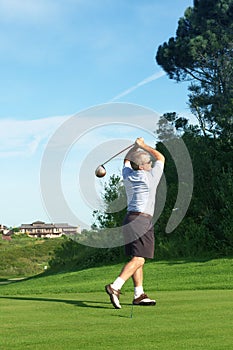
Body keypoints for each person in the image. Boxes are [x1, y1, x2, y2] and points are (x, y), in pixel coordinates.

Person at [105, 137, 165, 309]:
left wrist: (133, 148)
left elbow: (126, 161)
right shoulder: (150, 177)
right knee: (139, 259)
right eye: (148, 162)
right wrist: (143, 146)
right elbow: (161, 158)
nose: (151, 165)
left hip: (129, 219)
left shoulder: (128, 174)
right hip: (141, 221)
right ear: (141, 166)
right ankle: (115, 286)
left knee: (137, 258)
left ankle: (139, 294)